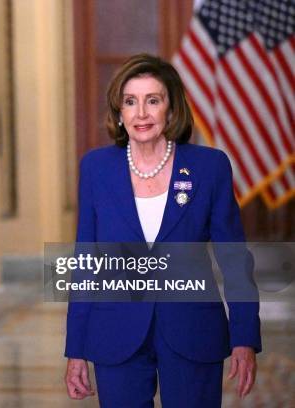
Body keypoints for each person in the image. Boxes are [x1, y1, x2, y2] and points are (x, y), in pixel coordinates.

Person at [64, 54, 261, 407]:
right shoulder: (96, 168)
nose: (141, 113)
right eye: (130, 102)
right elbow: (85, 261)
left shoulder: (210, 167)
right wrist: (75, 348)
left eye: (152, 100)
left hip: (192, 329)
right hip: (116, 332)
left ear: (171, 110)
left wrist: (244, 336)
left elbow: (234, 260)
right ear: (119, 112)